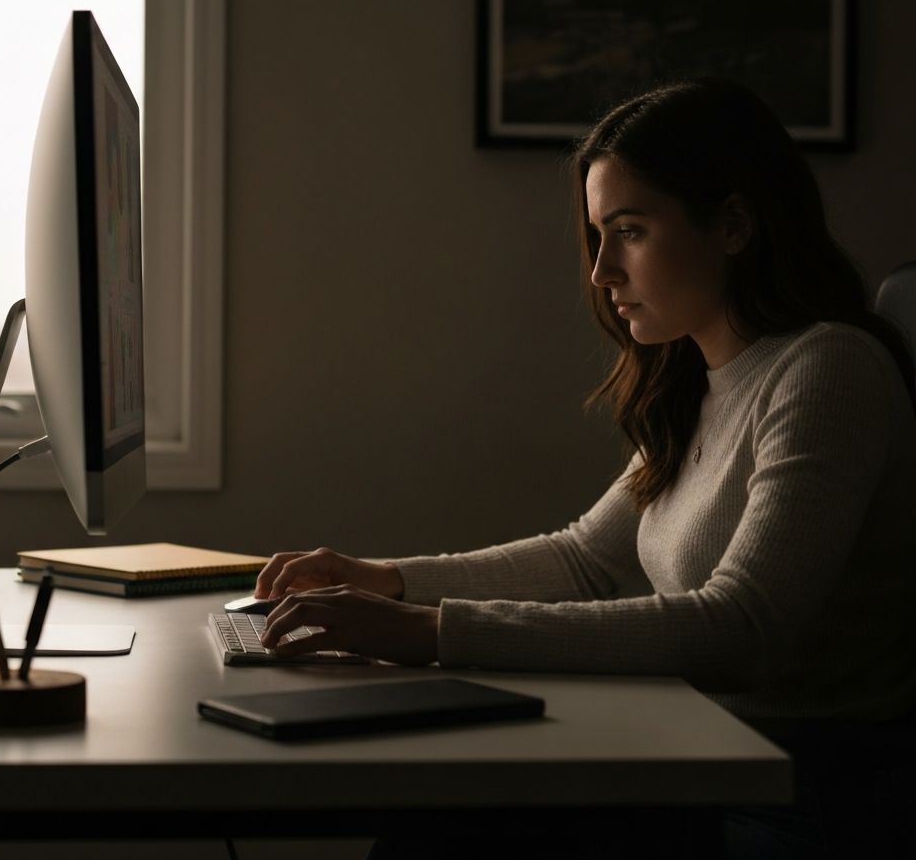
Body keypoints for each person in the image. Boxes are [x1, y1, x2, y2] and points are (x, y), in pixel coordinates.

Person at [254, 78, 916, 858]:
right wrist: (384, 579)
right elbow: (583, 560)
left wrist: (430, 632)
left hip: (804, 791)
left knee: (446, 817)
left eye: (629, 231)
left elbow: (741, 629)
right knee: (440, 802)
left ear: (733, 224)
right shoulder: (699, 381)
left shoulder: (827, 369)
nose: (602, 270)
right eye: (599, 234)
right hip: (706, 752)